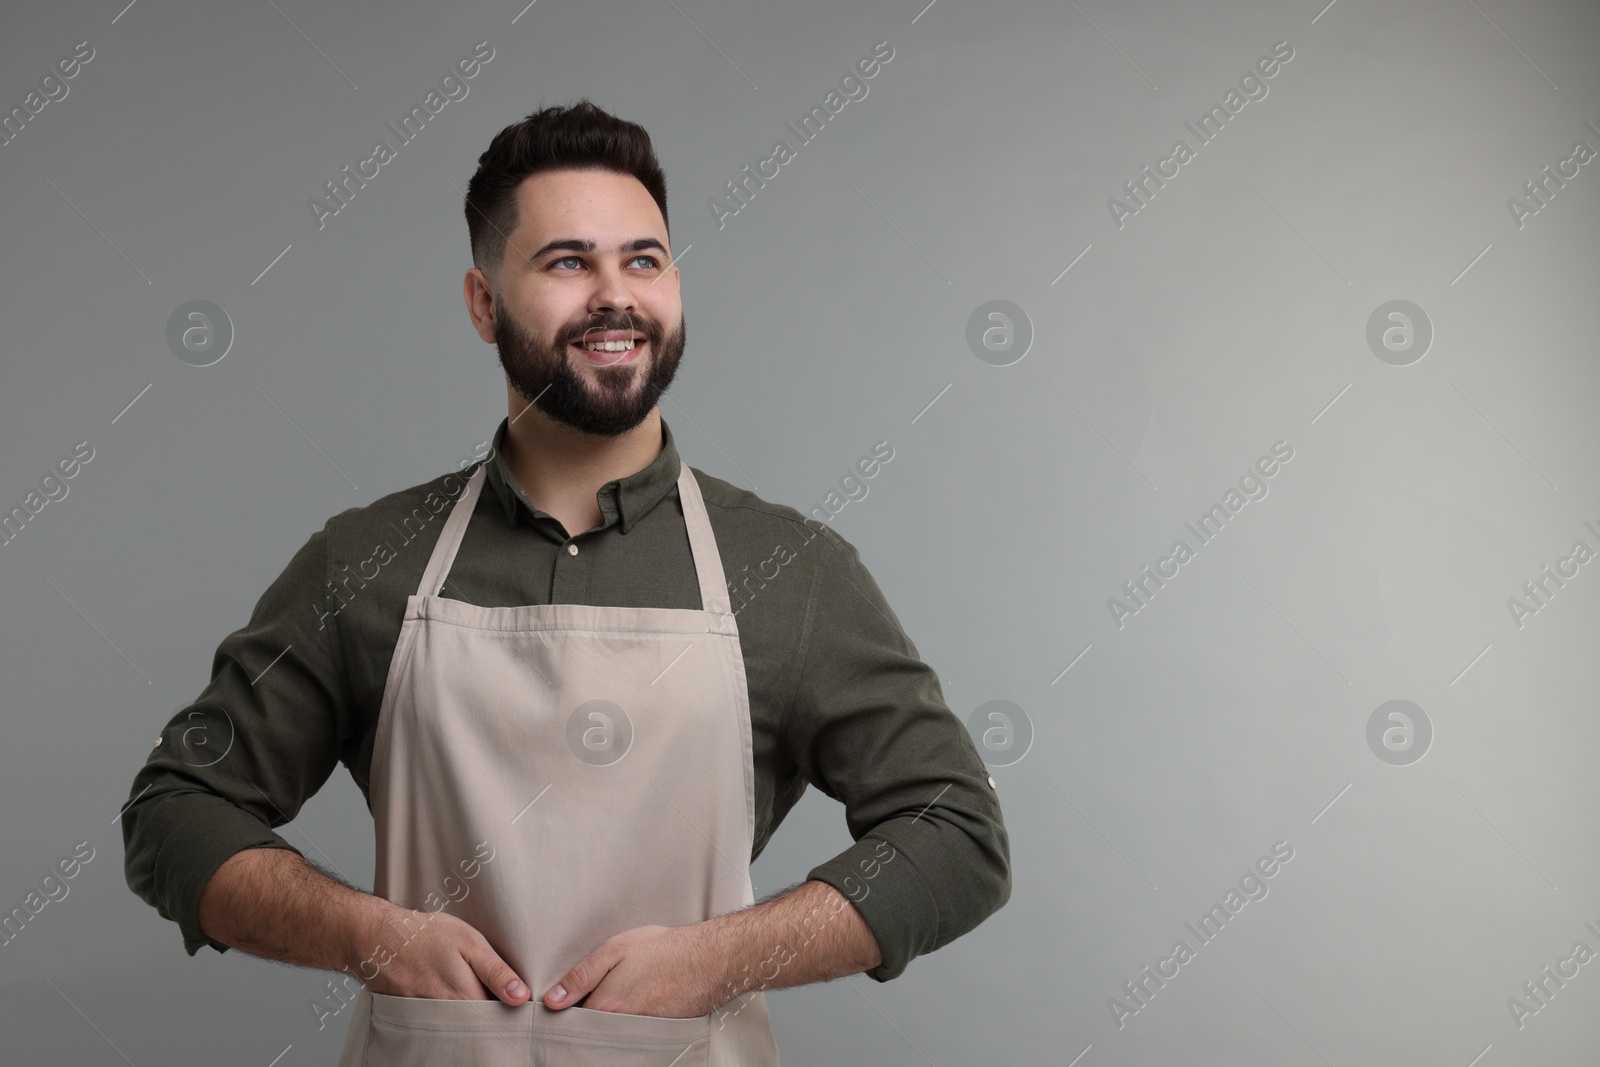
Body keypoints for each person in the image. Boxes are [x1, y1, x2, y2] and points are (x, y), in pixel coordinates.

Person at [121, 99, 1010, 1066]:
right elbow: (174, 811)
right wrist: (367, 936)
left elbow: (955, 833)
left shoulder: (790, 571)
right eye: (567, 261)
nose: (615, 296)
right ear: (482, 302)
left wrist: (726, 958)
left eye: (643, 259)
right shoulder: (366, 561)